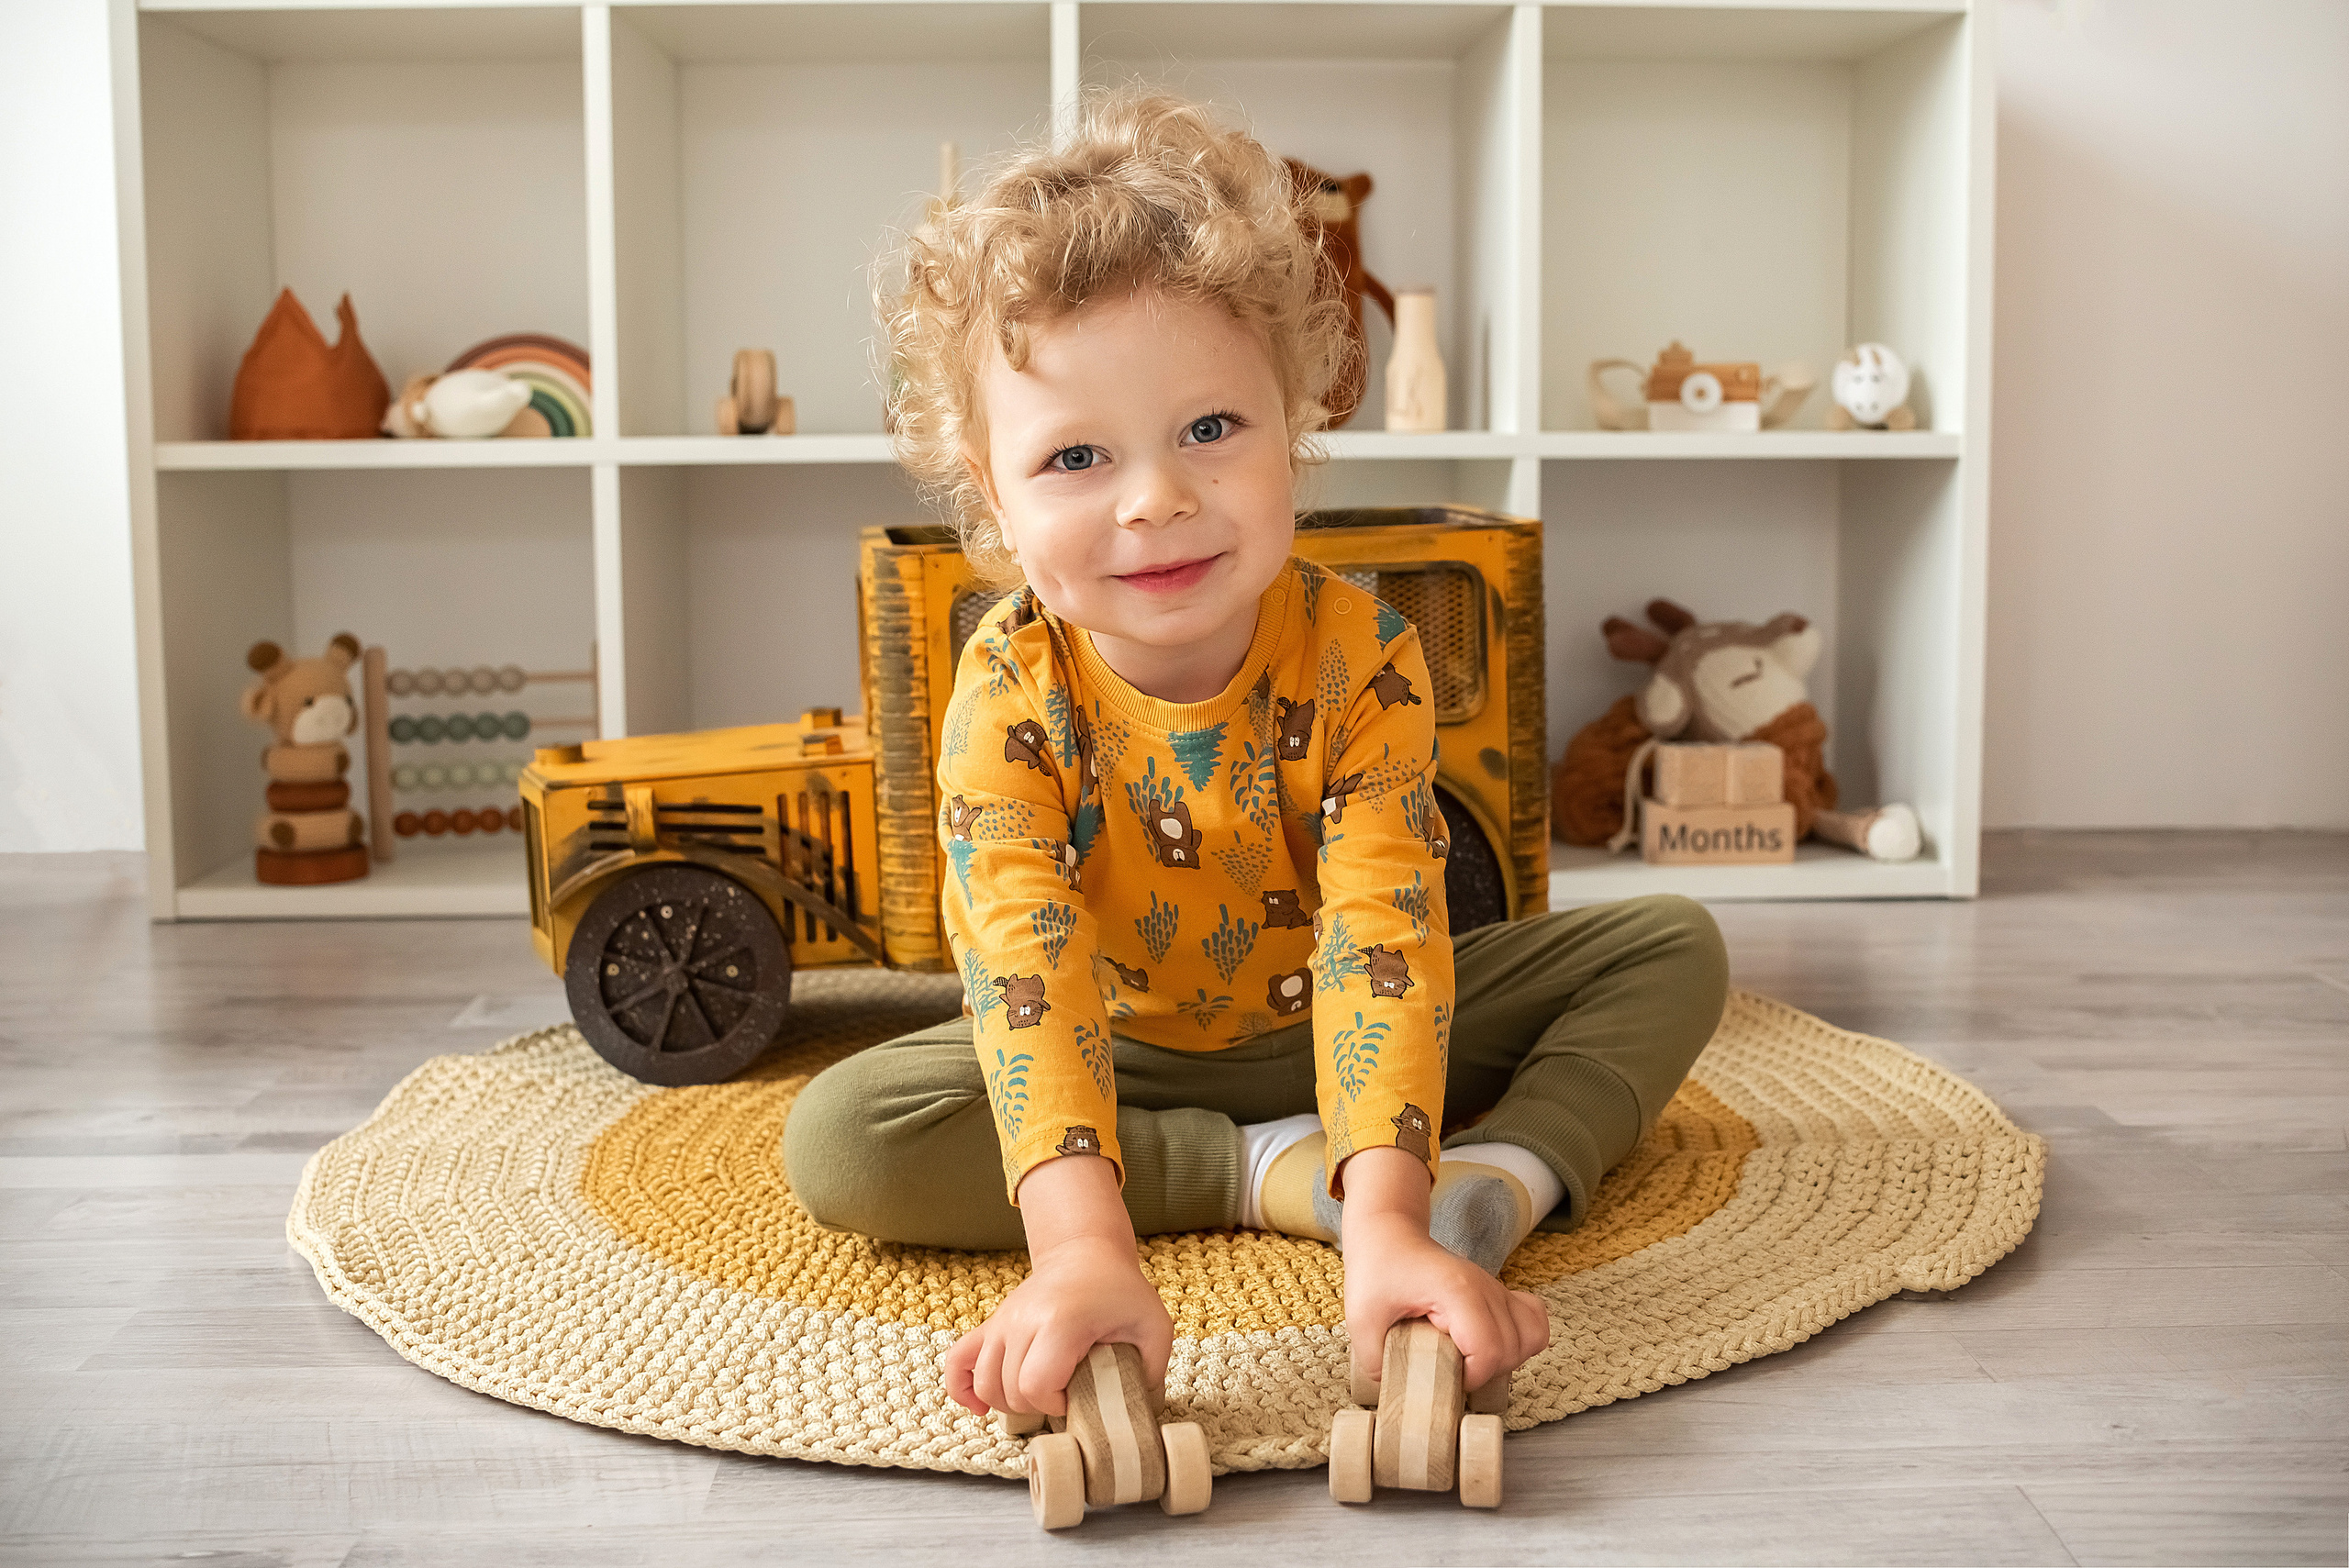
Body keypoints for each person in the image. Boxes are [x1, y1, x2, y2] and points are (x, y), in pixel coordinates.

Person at [784, 90, 1728, 1426]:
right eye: (1074, 456)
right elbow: (1024, 972)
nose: (1155, 497)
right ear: (995, 502)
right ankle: (1264, 1172)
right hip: (1128, 1056)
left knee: (1670, 946)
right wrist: (1081, 1248)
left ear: (1295, 427)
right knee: (843, 1138)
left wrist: (1398, 1219)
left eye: (1212, 430)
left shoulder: (1365, 656)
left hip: (1363, 1029)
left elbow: (1385, 933)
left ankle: (1498, 1179)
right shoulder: (1007, 686)